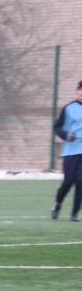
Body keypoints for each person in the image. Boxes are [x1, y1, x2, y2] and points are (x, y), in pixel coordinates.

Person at [53, 80, 82, 221]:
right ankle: (57, 204)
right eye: (81, 90)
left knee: (81, 182)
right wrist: (66, 135)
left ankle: (75, 213)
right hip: (71, 151)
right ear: (77, 91)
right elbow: (57, 127)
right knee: (68, 181)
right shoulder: (69, 108)